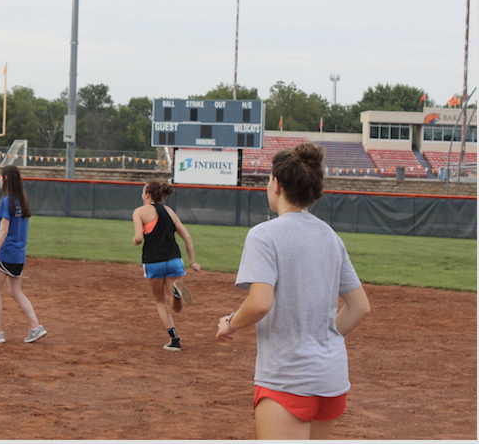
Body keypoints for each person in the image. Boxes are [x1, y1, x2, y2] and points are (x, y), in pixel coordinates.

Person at [215, 142, 371, 440]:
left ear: (276, 184)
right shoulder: (330, 236)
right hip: (331, 378)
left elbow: (260, 303)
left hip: (287, 378)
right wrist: (319, 336)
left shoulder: (264, 234)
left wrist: (230, 322)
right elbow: (359, 307)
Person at [0, 165, 47, 344]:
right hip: (19, 254)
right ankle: (35, 326)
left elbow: (3, 230)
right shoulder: (22, 200)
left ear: (6, 179)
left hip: (6, 253)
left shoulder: (7, 201)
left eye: (0, 177)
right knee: (15, 291)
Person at [132, 181, 201, 351]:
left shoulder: (139, 212)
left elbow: (139, 239)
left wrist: (135, 241)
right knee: (175, 306)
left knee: (159, 302)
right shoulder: (170, 212)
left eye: (143, 192)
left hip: (153, 261)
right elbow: (188, 238)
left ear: (147, 195)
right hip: (174, 260)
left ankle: (174, 340)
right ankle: (176, 293)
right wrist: (192, 262)